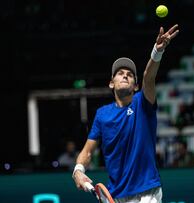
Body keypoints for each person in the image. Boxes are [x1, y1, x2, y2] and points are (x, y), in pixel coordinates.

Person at [72, 24, 179, 202]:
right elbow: (87, 151)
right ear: (111, 83)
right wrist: (78, 171)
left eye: (130, 75)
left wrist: (157, 52)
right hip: (116, 194)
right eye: (120, 73)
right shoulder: (102, 114)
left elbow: (148, 77)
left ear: (136, 86)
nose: (125, 76)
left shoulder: (143, 103)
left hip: (147, 190)